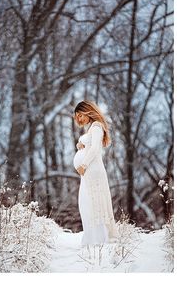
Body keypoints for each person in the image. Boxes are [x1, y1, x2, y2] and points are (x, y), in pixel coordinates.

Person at [73, 100, 118, 250]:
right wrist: (81, 145)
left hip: (92, 171)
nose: (79, 119)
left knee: (93, 203)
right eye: (77, 117)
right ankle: (93, 237)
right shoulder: (92, 128)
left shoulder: (97, 126)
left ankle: (99, 238)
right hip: (88, 173)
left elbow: (96, 149)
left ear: (87, 111)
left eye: (80, 115)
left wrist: (83, 165)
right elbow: (90, 146)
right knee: (86, 203)